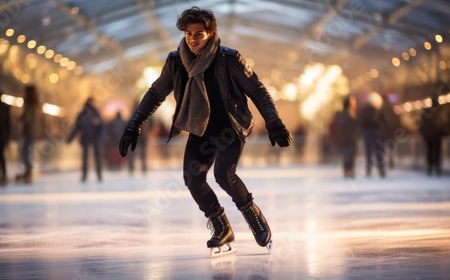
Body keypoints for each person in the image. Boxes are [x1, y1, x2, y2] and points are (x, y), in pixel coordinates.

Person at [118, 6, 292, 255]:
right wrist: (134, 125)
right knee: (193, 177)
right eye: (188, 33)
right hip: (200, 128)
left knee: (224, 174)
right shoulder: (176, 61)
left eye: (198, 34)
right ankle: (222, 226)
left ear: (210, 34)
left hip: (230, 126)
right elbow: (155, 93)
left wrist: (274, 122)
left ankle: (254, 218)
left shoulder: (229, 59)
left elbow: (258, 91)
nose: (192, 39)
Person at [67, 97, 105, 182]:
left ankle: (91, 175)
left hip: (91, 138)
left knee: (89, 158)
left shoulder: (87, 113)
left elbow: (76, 127)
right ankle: (95, 175)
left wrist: (70, 138)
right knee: (93, 157)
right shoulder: (95, 113)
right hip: (92, 138)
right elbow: (102, 126)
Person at [16, 85, 44, 183]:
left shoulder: (28, 102)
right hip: (34, 130)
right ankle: (28, 171)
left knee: (26, 152)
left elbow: (28, 117)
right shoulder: (36, 103)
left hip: (29, 130)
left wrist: (21, 119)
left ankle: (28, 171)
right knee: (28, 151)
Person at [358, 92, 388, 177]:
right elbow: (385, 122)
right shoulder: (378, 110)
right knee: (379, 151)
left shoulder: (363, 110)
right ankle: (381, 169)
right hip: (376, 132)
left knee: (368, 151)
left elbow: (360, 121)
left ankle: (369, 169)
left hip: (367, 132)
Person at [419, 94, 449, 176]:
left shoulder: (427, 111)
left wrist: (423, 134)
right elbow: (444, 123)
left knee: (430, 151)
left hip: (429, 136)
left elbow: (421, 124)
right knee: (437, 151)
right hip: (437, 135)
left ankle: (431, 167)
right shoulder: (440, 110)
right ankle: (436, 167)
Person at [336, 95, 360, 178]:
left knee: (352, 154)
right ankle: (347, 170)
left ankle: (350, 169)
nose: (354, 103)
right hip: (346, 138)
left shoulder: (355, 113)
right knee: (347, 154)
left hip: (353, 138)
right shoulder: (344, 113)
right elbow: (341, 126)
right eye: (352, 101)